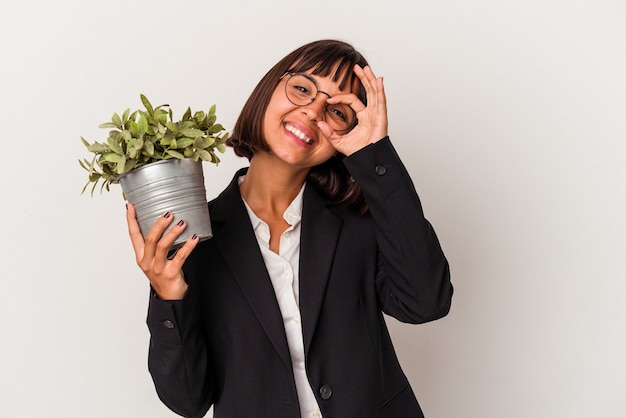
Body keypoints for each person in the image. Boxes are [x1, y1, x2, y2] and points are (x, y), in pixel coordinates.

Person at [126, 39, 453, 418]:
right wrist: (168, 295)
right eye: (302, 88)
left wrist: (375, 154)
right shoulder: (196, 239)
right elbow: (188, 400)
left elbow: (426, 303)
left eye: (336, 111)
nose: (313, 111)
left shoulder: (359, 224)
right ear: (269, 90)